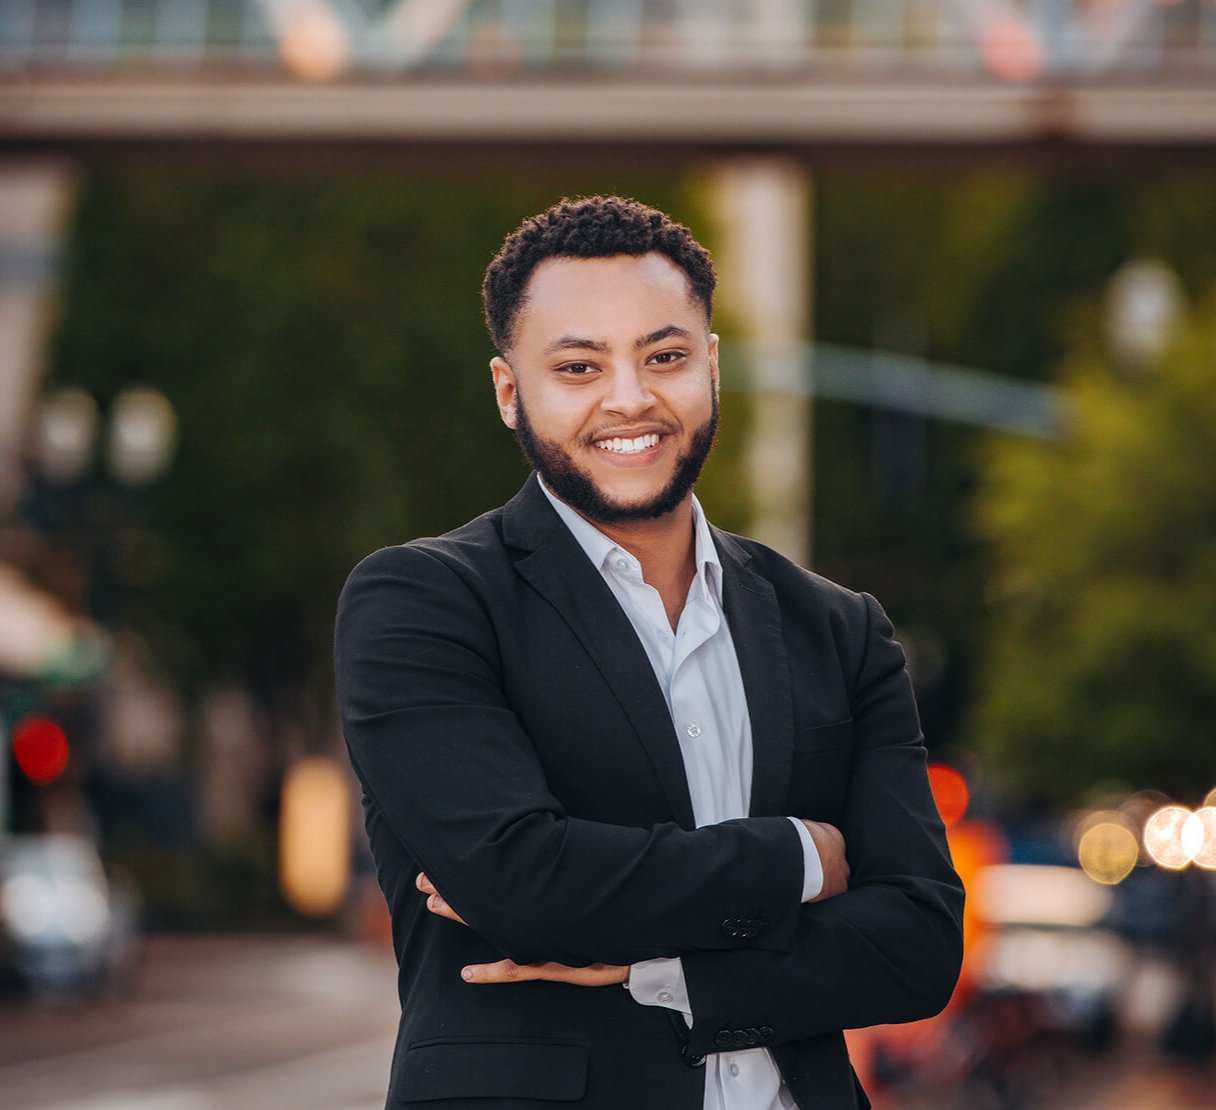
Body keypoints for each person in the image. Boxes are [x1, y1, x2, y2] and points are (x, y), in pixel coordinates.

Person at [334, 195, 964, 1109]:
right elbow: (521, 884)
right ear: (511, 391)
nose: (629, 398)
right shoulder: (425, 602)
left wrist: (665, 969)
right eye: (579, 366)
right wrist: (803, 859)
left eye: (663, 357)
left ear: (710, 367)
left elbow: (917, 946)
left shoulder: (839, 628)